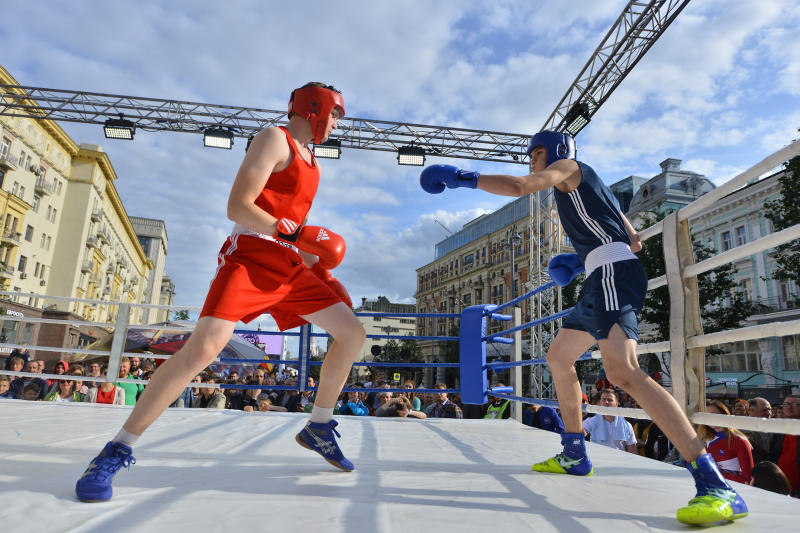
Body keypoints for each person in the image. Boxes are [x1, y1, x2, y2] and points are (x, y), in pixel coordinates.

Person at [419, 130, 748, 525]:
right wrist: (578, 261)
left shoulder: (570, 167)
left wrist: (460, 176)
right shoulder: (597, 190)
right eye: (530, 155)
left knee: (623, 372)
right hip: (602, 275)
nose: (532, 161)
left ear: (558, 151)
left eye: (537, 153)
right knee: (558, 357)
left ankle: (714, 483)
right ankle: (574, 451)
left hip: (611, 274)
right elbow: (634, 240)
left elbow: (520, 187)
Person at [75, 82, 364, 503]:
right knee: (202, 351)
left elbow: (293, 225)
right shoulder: (273, 139)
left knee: (352, 333)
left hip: (290, 265)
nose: (338, 124)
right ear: (316, 109)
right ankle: (115, 450)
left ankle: (319, 426)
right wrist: (299, 233)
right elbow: (239, 206)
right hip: (250, 257)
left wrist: (319, 265)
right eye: (336, 115)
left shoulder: (314, 161)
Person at [697, 400, 754, 484]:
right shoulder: (707, 440)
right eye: (707, 415)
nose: (710, 418)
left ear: (724, 415)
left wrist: (714, 473)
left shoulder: (739, 441)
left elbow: (748, 479)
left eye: (714, 414)